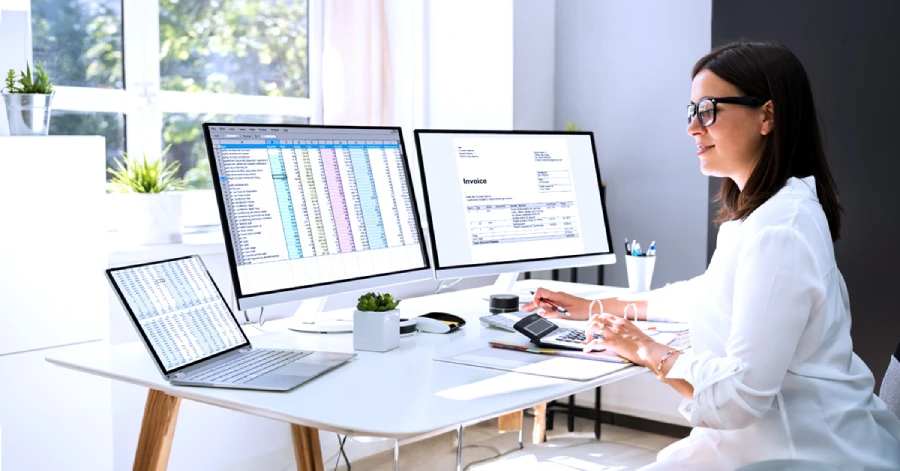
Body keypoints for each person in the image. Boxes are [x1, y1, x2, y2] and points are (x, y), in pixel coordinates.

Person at [524, 41, 900, 470]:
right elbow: (711, 293)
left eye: (708, 109)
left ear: (767, 116)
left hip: (801, 454)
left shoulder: (782, 226)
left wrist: (645, 349)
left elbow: (739, 398)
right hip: (764, 445)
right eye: (691, 112)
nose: (692, 128)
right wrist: (596, 305)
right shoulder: (761, 212)